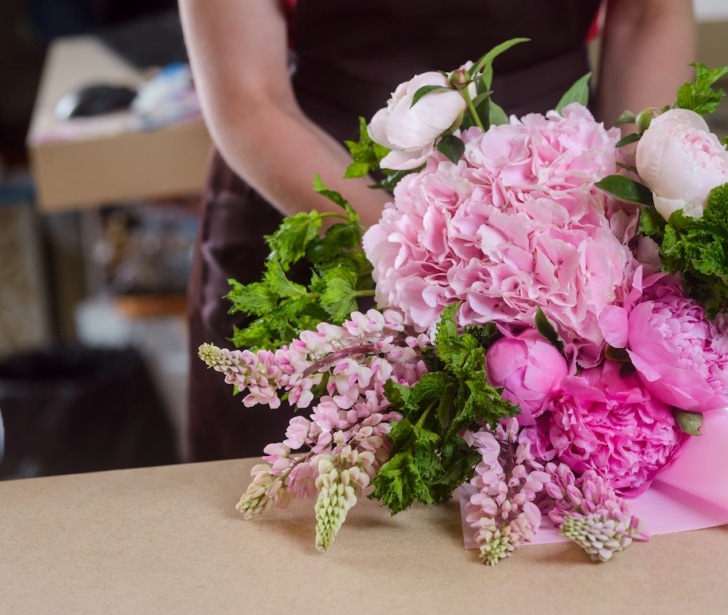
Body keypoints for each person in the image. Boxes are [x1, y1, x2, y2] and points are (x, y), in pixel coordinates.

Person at [180, 0, 696, 462]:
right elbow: (251, 100)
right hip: (318, 197)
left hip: (566, 203)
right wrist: (428, 261)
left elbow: (648, 15)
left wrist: (618, 223)